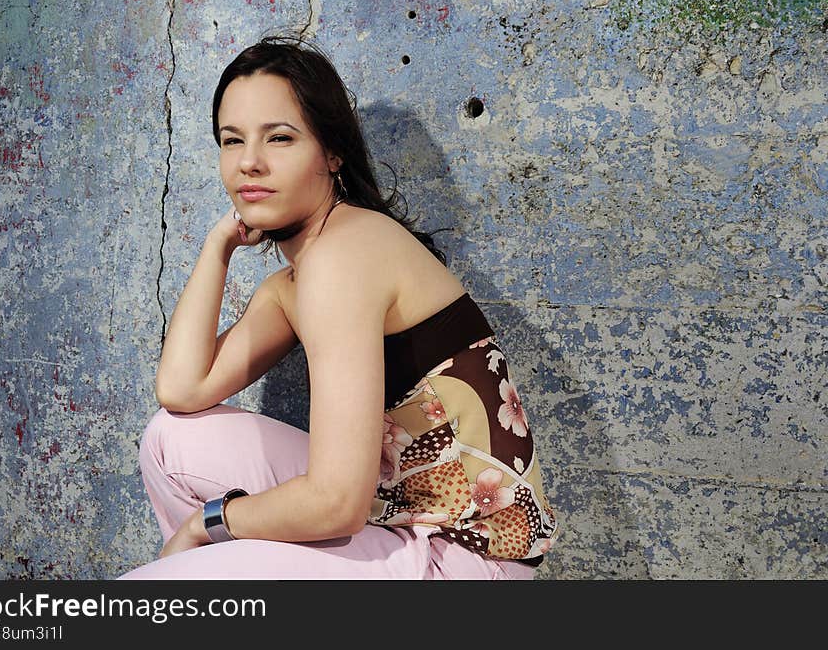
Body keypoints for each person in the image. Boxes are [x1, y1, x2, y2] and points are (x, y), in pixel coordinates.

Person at [118, 34, 558, 580]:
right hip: (396, 513)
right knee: (169, 440)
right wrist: (218, 248)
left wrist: (207, 524)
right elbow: (182, 391)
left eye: (279, 138)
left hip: (466, 560)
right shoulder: (295, 281)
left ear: (331, 151)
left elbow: (335, 504)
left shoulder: (345, 255)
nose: (249, 163)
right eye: (232, 141)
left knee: (149, 592)